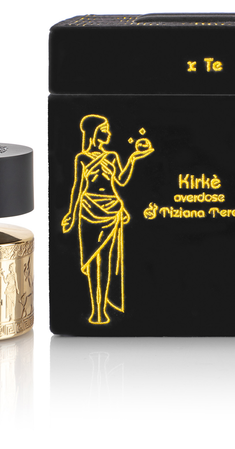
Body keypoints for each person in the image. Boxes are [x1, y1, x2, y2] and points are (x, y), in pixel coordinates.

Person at [62, 115, 153, 324]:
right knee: (92, 260)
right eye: (104, 129)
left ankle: (102, 309)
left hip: (111, 210)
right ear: (94, 133)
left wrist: (133, 157)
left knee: (107, 261)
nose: (108, 133)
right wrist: (72, 214)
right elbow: (77, 188)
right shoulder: (82, 158)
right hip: (88, 209)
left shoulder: (111, 156)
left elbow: (120, 180)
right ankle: (95, 311)